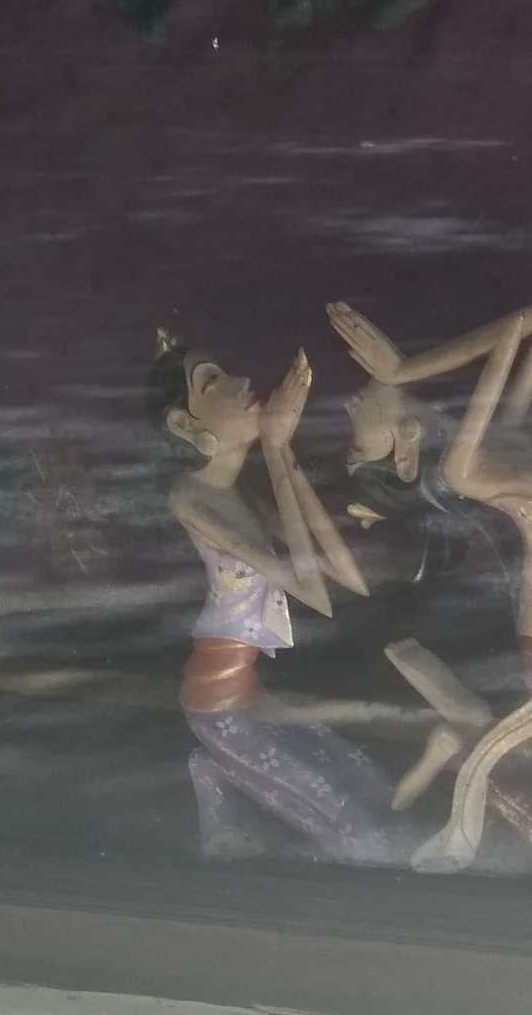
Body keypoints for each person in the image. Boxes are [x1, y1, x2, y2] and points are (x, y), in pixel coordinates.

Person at [330, 294, 532, 877]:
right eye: (359, 436)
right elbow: (510, 338)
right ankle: (471, 804)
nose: (353, 404)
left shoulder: (494, 436)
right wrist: (402, 370)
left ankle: (460, 744)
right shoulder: (463, 469)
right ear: (405, 445)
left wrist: (403, 370)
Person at [146, 329, 405, 865]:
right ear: (185, 424)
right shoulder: (189, 496)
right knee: (358, 833)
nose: (242, 383)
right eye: (212, 382)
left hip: (247, 692)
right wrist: (275, 447)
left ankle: (217, 772)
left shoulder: (241, 495)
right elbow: (311, 592)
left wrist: (282, 454)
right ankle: (219, 770)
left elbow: (343, 578)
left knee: (370, 783)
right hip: (217, 702)